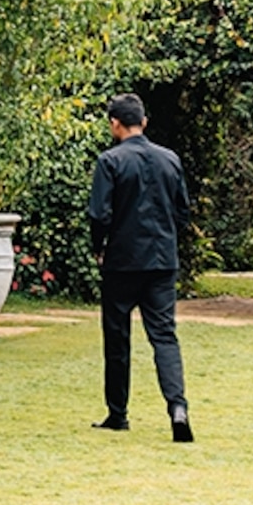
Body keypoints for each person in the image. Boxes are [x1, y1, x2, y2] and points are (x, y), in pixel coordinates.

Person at [89, 94, 195, 442]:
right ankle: (177, 408)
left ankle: (117, 414)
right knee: (164, 335)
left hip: (122, 262)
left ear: (114, 124)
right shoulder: (170, 159)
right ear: (144, 122)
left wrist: (98, 248)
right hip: (162, 261)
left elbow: (99, 214)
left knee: (117, 337)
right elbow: (182, 211)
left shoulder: (110, 161)